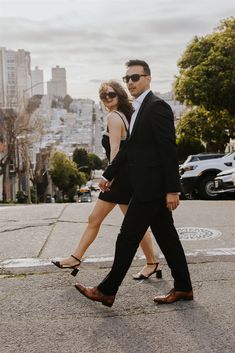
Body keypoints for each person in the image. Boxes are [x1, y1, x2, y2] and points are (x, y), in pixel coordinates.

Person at [75, 60, 193, 307]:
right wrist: (108, 175)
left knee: (127, 237)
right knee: (167, 238)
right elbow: (128, 150)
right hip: (147, 186)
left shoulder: (157, 106)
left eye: (135, 77)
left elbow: (168, 150)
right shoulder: (139, 108)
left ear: (148, 78)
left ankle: (107, 290)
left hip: (152, 188)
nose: (130, 83)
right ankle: (183, 287)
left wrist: (173, 189)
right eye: (127, 78)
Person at [51, 80, 162, 280]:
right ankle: (151, 262)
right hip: (127, 176)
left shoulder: (113, 117)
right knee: (125, 222)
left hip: (120, 177)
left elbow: (116, 150)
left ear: (119, 94)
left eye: (111, 94)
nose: (107, 99)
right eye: (103, 96)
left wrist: (108, 176)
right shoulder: (129, 114)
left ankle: (151, 262)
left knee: (122, 222)